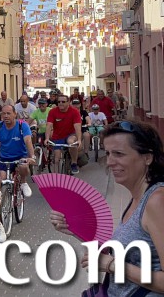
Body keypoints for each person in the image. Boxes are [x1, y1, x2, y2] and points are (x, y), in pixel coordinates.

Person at [50, 121, 164, 296]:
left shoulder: (157, 201)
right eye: (108, 153)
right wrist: (74, 228)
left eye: (119, 154)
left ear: (147, 158)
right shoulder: (138, 197)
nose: (110, 162)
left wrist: (111, 265)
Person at [0, 105, 35, 197]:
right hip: (5, 158)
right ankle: (4, 201)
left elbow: (28, 140)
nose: (6, 116)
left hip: (20, 156)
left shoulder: (22, 125)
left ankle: (23, 182)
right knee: (1, 179)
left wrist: (32, 156)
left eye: (8, 113)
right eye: (3, 113)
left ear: (15, 114)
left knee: (23, 167)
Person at [46, 94, 82, 175]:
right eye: (59, 102)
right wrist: (47, 138)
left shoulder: (74, 112)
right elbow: (49, 125)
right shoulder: (52, 111)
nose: (60, 103)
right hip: (57, 136)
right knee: (56, 159)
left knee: (71, 142)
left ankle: (74, 163)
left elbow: (77, 126)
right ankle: (56, 177)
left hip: (71, 134)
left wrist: (79, 140)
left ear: (68, 102)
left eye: (63, 102)